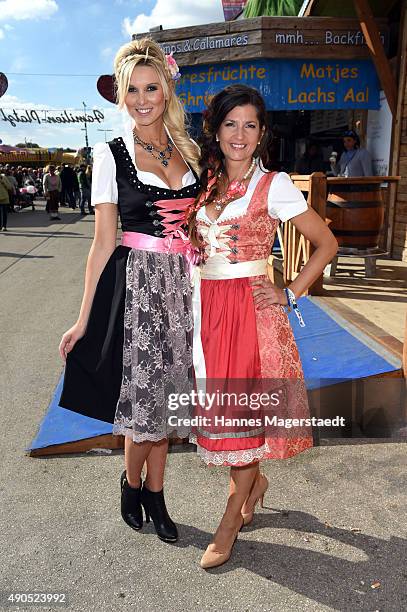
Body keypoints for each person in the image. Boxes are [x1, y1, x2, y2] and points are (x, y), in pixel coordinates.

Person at [187, 85, 338, 569]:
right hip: (207, 311)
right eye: (231, 123)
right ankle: (255, 483)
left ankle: (231, 520)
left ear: (262, 133)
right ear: (215, 129)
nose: (240, 134)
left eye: (250, 125)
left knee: (242, 421)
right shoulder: (202, 182)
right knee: (225, 418)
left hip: (251, 318)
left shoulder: (274, 185)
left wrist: (290, 290)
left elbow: (327, 244)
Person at [58, 38, 201, 543]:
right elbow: (101, 245)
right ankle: (133, 483)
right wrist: (82, 318)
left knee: (169, 402)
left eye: (151, 87)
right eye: (132, 90)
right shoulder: (109, 154)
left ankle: (156, 494)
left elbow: (203, 225)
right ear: (121, 96)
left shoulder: (190, 149)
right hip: (138, 289)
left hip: (186, 289)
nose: (142, 99)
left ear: (167, 90)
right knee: (144, 403)